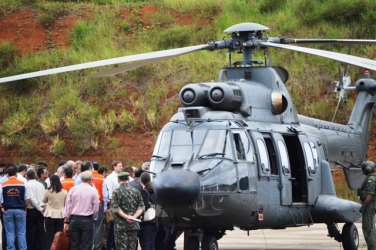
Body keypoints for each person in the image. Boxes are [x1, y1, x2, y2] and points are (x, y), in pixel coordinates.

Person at [64, 171, 99, 250]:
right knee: (86, 244)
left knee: (74, 244)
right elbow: (96, 207)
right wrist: (94, 216)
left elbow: (68, 205)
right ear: (91, 180)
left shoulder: (73, 189)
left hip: (74, 219)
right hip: (87, 219)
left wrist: (67, 218)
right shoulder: (93, 190)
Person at [111, 172, 144, 250]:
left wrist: (126, 217)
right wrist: (134, 217)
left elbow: (116, 208)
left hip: (121, 225)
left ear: (119, 180)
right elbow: (141, 206)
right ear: (128, 179)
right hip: (133, 224)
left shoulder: (116, 192)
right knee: (132, 247)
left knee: (121, 247)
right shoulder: (136, 191)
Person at [0, 163, 29, 250]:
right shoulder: (23, 184)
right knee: (21, 233)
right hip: (20, 210)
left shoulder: (3, 184)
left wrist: (1, 208)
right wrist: (25, 209)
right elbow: (27, 199)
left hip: (7, 211)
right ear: (16, 173)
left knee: (10, 233)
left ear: (8, 174)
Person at [43, 175, 67, 250]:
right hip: (60, 215)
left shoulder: (48, 191)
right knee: (59, 237)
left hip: (50, 215)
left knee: (49, 237)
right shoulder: (64, 191)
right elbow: (66, 203)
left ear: (51, 182)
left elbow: (44, 201)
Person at [104, 160, 124, 250]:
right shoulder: (110, 178)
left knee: (118, 226)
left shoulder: (120, 177)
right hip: (113, 204)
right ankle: (110, 245)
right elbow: (110, 193)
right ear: (114, 167)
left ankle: (116, 245)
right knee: (112, 226)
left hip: (120, 204)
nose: (121, 167)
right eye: (119, 166)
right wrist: (113, 206)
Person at [25, 168, 46, 250]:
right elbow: (44, 199)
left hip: (32, 210)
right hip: (41, 209)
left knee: (31, 231)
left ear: (26, 176)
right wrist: (43, 208)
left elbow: (32, 199)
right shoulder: (40, 185)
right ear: (35, 175)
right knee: (40, 230)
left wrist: (39, 208)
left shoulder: (27, 185)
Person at [358, 160, 376, 249]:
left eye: (364, 168)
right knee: (371, 227)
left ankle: (372, 247)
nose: (363, 170)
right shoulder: (372, 177)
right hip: (371, 205)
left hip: (370, 205)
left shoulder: (371, 179)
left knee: (368, 228)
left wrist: (364, 205)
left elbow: (370, 194)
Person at [139, 172, 158, 250]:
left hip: (147, 222)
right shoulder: (155, 190)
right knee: (152, 245)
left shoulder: (144, 191)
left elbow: (144, 207)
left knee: (145, 245)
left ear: (141, 181)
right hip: (155, 220)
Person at [92, 161, 105, 250]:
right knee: (98, 226)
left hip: (89, 204)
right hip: (100, 203)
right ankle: (97, 247)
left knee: (90, 225)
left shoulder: (87, 177)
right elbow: (105, 194)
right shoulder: (102, 178)